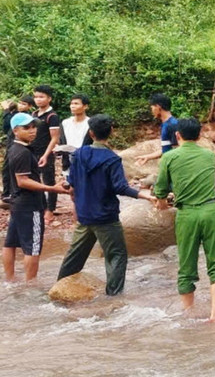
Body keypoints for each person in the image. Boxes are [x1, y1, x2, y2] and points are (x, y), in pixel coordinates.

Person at [56, 114, 157, 295]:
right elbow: (120, 187)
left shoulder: (79, 154)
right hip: (106, 217)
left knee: (75, 255)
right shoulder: (112, 159)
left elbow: (71, 181)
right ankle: (114, 296)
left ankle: (59, 288)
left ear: (91, 132)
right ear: (111, 131)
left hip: (85, 215)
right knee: (116, 255)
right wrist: (145, 195)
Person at [153, 117, 215, 322]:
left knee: (186, 266)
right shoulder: (210, 155)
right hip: (212, 212)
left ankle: (188, 313)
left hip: (187, 215)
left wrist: (161, 203)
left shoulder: (169, 157)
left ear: (177, 136)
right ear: (200, 135)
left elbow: (160, 189)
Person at [2, 113, 70, 282]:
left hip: (18, 204)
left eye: (33, 127)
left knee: (10, 244)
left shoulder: (15, 148)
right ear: (16, 131)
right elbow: (23, 181)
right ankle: (30, 285)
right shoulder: (22, 152)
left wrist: (35, 166)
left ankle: (10, 280)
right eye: (27, 128)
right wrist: (52, 188)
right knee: (32, 248)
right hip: (29, 205)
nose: (32, 131)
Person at [31, 85, 61, 224]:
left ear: (49, 98)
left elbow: (55, 138)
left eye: (41, 97)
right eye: (36, 96)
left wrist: (45, 155)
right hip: (33, 152)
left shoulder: (52, 116)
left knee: (49, 181)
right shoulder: (34, 115)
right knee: (35, 180)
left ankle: (50, 209)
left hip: (46, 153)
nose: (38, 99)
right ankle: (41, 206)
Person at [2, 96, 34, 202]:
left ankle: (12, 193)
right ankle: (7, 193)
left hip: (19, 147)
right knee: (7, 169)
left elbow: (7, 123)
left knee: (19, 171)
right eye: (20, 103)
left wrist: (6, 110)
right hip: (11, 145)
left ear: (29, 106)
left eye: (24, 104)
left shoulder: (26, 118)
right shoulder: (16, 115)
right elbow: (6, 127)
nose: (20, 105)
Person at [135, 93, 178, 165]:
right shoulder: (166, 124)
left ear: (158, 107)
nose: (152, 111)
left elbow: (177, 150)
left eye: (152, 108)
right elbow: (167, 149)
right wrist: (148, 157)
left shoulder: (172, 125)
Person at [59, 94, 92, 177]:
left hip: (85, 161)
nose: (72, 106)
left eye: (76, 104)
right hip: (68, 161)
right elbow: (62, 141)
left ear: (85, 106)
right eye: (71, 104)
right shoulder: (65, 123)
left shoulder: (90, 123)